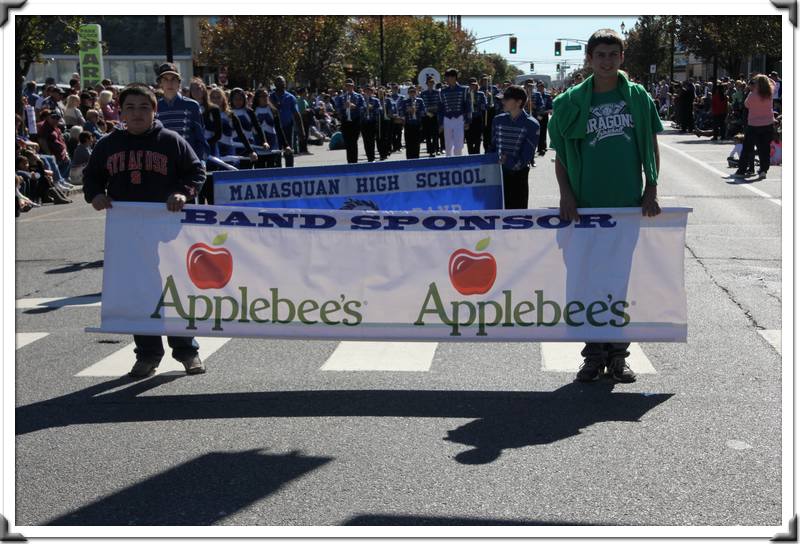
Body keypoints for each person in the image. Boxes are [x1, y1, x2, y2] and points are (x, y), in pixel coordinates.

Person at [548, 28, 663, 384]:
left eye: (614, 54)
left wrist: (652, 187)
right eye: (601, 55)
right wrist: (567, 195)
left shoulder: (638, 98)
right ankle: (592, 355)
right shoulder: (570, 102)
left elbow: (650, 144)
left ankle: (618, 356)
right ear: (590, 58)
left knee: (620, 283)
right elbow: (562, 157)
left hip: (626, 206)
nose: (607, 61)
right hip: (585, 208)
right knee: (587, 282)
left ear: (621, 58)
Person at [82, 83, 206, 378]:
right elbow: (91, 177)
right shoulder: (108, 144)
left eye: (144, 107)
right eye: (130, 108)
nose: (137, 114)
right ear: (120, 112)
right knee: (140, 293)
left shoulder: (171, 141)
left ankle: (187, 351)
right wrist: (95, 195)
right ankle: (147, 355)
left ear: (155, 110)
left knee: (172, 290)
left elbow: (196, 171)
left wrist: (182, 193)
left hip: (168, 231)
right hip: (128, 234)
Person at [491, 85, 539, 209]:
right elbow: (492, 146)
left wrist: (508, 161)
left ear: (518, 102)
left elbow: (527, 156)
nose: (503, 101)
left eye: (506, 99)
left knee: (517, 216)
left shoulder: (531, 124)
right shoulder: (498, 120)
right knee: (497, 214)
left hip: (518, 176)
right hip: (498, 175)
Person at [155, 63, 208, 162]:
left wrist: (200, 161)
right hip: (163, 162)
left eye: (173, 79)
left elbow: (201, 138)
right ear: (160, 83)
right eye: (165, 79)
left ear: (179, 83)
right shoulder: (154, 107)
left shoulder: (192, 105)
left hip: (188, 160)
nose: (169, 83)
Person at [734, 75, 776, 180]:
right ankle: (763, 170)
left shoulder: (752, 95)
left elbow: (746, 104)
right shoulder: (769, 93)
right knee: (764, 149)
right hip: (768, 124)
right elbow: (774, 83)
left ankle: (742, 170)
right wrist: (767, 79)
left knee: (747, 148)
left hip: (754, 125)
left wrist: (752, 89)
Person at [230, 87, 271, 168]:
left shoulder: (249, 112)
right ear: (231, 99)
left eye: (240, 99)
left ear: (244, 99)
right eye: (236, 99)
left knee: (247, 170)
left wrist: (264, 141)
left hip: (248, 147)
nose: (238, 101)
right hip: (232, 147)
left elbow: (258, 127)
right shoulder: (227, 112)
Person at [270, 76, 304, 168]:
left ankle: (290, 172)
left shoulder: (291, 97)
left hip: (287, 127)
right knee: (276, 152)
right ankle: (277, 172)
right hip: (274, 129)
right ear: (275, 84)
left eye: (282, 82)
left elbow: (297, 115)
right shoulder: (270, 97)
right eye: (278, 82)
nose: (280, 84)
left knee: (288, 151)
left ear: (285, 84)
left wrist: (302, 131)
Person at [438, 68, 472, 156]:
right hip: (447, 119)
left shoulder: (464, 90)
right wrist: (441, 123)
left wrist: (468, 121)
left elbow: (468, 106)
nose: (446, 79)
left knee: (459, 144)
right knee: (448, 145)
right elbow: (441, 109)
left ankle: (458, 164)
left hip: (459, 119)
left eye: (447, 77)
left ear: (453, 77)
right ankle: (449, 165)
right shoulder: (442, 91)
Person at [189, 78, 222, 158]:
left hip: (211, 147)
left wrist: (205, 144)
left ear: (204, 90)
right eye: (192, 89)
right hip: (193, 148)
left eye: (198, 88)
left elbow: (218, 134)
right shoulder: (187, 109)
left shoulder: (214, 109)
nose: (195, 91)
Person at [334, 79, 365, 164]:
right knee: (347, 142)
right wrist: (344, 107)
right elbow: (337, 109)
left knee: (354, 141)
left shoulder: (359, 96)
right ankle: (349, 161)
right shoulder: (341, 97)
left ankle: (354, 161)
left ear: (353, 86)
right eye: (347, 86)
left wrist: (354, 106)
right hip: (345, 121)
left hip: (355, 121)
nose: (349, 87)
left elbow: (363, 107)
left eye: (350, 85)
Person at [398, 85, 426, 159]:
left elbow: (424, 111)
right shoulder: (405, 102)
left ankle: (416, 158)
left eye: (414, 92)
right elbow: (401, 112)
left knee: (417, 143)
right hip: (408, 124)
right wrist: (407, 110)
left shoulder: (420, 100)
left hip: (417, 124)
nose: (412, 93)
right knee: (409, 142)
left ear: (416, 92)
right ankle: (409, 159)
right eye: (411, 92)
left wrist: (416, 111)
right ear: (408, 93)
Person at [420, 77, 442, 157]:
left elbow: (440, 104)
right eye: (429, 82)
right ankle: (430, 151)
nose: (430, 84)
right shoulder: (423, 93)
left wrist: (435, 111)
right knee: (428, 135)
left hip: (435, 115)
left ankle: (436, 149)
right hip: (426, 116)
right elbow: (421, 106)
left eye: (432, 82)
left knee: (435, 134)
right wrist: (427, 112)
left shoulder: (437, 93)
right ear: (426, 84)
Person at [360, 85, 382, 163]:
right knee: (366, 140)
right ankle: (369, 156)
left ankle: (372, 156)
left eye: (369, 91)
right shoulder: (361, 100)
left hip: (372, 122)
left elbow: (380, 109)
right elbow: (358, 110)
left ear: (372, 92)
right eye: (366, 91)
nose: (368, 92)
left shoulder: (376, 100)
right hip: (364, 122)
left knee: (372, 140)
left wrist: (372, 108)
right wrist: (365, 108)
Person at [465, 78, 486, 155]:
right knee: (469, 138)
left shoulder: (481, 94)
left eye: (474, 85)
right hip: (468, 119)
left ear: (477, 85)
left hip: (477, 118)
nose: (473, 86)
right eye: (471, 85)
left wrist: (480, 105)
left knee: (477, 138)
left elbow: (485, 105)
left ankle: (477, 154)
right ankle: (470, 154)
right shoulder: (466, 95)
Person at [480, 75, 500, 153]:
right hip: (484, 112)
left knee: (493, 130)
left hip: (493, 111)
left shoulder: (494, 88)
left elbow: (500, 97)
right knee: (485, 131)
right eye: (484, 81)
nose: (486, 82)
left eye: (487, 80)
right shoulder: (480, 90)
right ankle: (486, 148)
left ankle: (492, 147)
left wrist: (492, 96)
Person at [535, 81, 553, 155]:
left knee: (543, 131)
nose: (541, 88)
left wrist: (548, 111)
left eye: (542, 86)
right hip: (536, 115)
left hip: (544, 115)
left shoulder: (547, 96)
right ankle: (539, 148)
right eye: (539, 86)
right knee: (537, 132)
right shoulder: (534, 95)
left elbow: (550, 106)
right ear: (537, 87)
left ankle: (543, 147)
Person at [377, 87, 395, 161]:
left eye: (382, 93)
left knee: (386, 137)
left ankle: (385, 152)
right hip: (378, 120)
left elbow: (391, 109)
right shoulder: (376, 100)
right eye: (379, 93)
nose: (380, 94)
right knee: (379, 137)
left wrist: (388, 114)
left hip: (386, 120)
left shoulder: (388, 100)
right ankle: (381, 152)